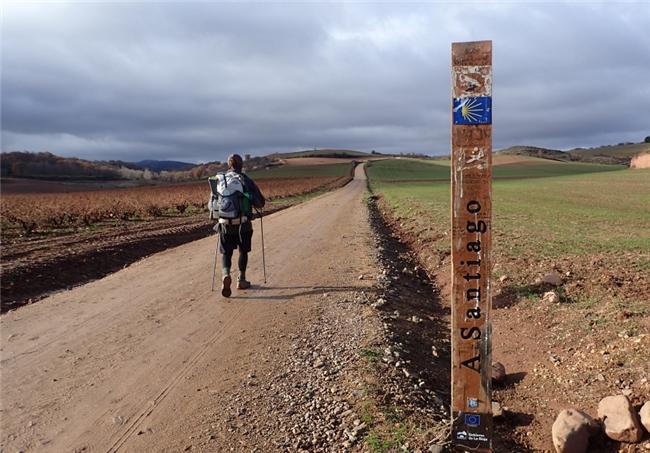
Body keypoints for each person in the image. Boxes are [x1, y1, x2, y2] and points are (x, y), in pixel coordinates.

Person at [215, 154, 265, 297]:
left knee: (226, 252)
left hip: (224, 224)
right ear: (241, 165)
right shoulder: (246, 180)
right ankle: (241, 279)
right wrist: (248, 197)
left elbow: (212, 205)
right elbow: (260, 203)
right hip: (243, 224)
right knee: (243, 251)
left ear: (228, 165)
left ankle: (225, 274)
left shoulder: (220, 180)